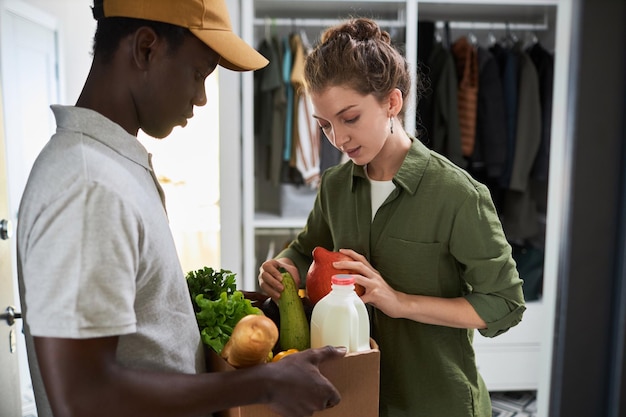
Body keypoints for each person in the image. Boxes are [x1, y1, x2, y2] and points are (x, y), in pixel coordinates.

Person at [16, 1, 346, 417]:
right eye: (200, 72)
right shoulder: (89, 183)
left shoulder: (110, 166)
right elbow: (83, 397)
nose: (203, 96)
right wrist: (264, 383)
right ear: (146, 49)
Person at [258, 18, 526, 417]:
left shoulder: (458, 195)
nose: (338, 139)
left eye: (350, 118)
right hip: (353, 397)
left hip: (436, 403)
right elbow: (306, 247)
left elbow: (505, 304)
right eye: (325, 125)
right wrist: (284, 267)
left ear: (392, 103)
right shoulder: (333, 186)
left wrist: (400, 302)